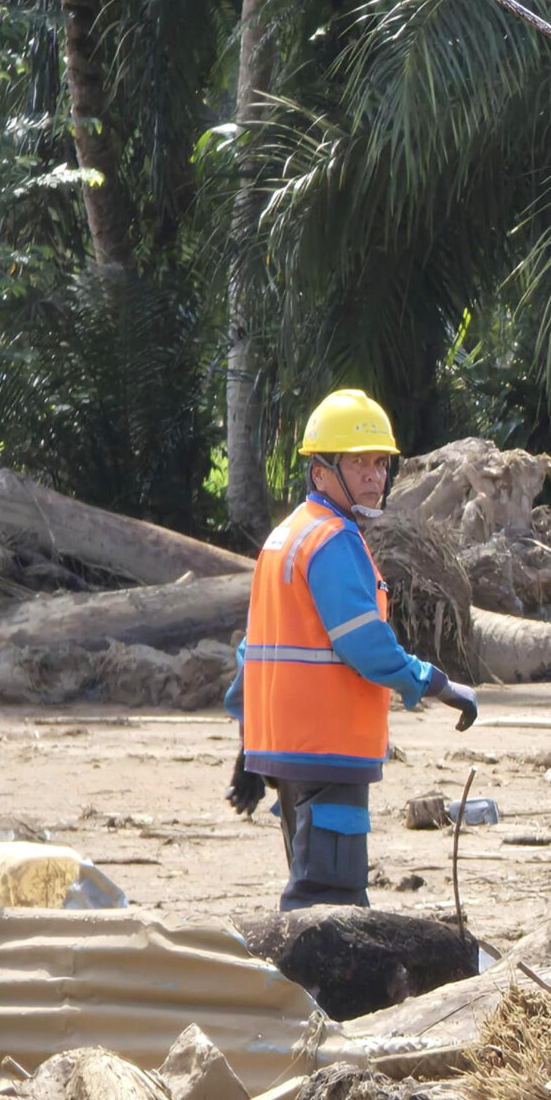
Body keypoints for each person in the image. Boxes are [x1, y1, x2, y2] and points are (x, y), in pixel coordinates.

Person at [225, 389, 479, 910]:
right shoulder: (333, 540)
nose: (374, 476)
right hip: (326, 747)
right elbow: (365, 645)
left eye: (380, 463)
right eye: (359, 463)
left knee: (314, 893)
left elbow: (252, 652)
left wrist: (248, 745)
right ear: (320, 472)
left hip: (288, 750)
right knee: (328, 901)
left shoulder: (285, 537)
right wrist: (435, 683)